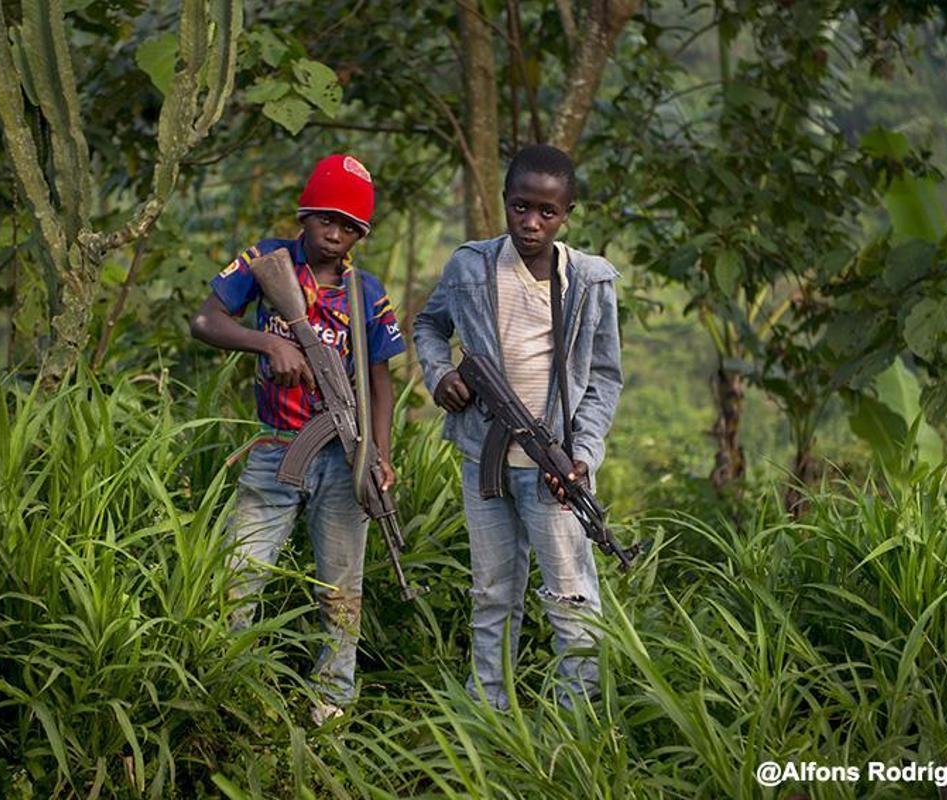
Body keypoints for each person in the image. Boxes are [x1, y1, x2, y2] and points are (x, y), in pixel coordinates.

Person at [189, 154, 406, 725]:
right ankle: (228, 682)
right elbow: (205, 321)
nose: (334, 235)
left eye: (349, 227)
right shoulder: (268, 260)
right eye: (325, 220)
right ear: (304, 215)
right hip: (275, 448)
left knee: (341, 587)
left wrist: (379, 456)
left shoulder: (367, 291)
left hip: (344, 456)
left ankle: (332, 700)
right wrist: (270, 345)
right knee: (240, 572)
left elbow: (380, 384)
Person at [413, 144, 623, 709]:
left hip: (555, 467)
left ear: (567, 214)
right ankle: (489, 712)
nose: (531, 222)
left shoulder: (589, 281)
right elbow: (428, 325)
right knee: (492, 593)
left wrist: (585, 457)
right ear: (504, 203)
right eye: (519, 207)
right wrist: (438, 377)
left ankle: (576, 725)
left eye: (546, 212)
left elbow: (604, 379)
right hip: (485, 458)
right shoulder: (470, 267)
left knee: (572, 600)